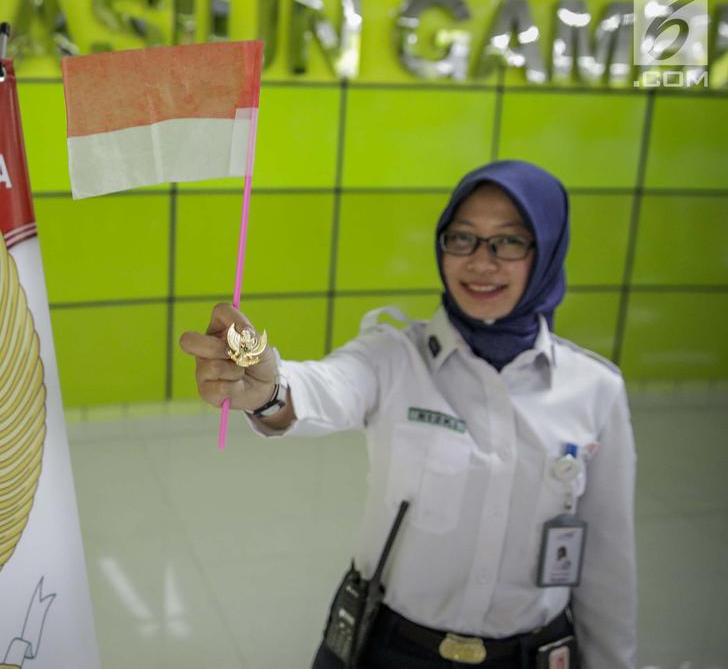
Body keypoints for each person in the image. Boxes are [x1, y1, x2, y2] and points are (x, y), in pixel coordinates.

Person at [179, 160, 636, 668]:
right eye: (461, 238)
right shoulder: (395, 357)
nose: (481, 262)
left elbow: (606, 565)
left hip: (532, 655)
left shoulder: (595, 390)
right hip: (394, 649)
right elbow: (328, 386)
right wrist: (270, 389)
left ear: (548, 250)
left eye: (508, 241)